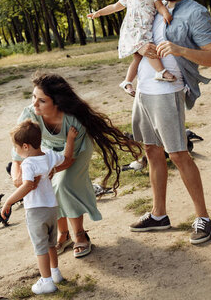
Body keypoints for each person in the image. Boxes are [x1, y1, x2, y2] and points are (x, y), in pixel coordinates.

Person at [128, 0, 211, 244]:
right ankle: (159, 214)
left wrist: (181, 50)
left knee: (179, 154)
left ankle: (203, 218)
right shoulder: (154, 4)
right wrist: (131, 78)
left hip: (168, 93)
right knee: (152, 152)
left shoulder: (195, 13)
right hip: (144, 90)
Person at [11, 72, 142, 258]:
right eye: (33, 97)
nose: (34, 104)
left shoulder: (74, 121)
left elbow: (67, 160)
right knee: (46, 186)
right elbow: (18, 153)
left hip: (74, 152)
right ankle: (63, 235)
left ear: (57, 102)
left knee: (63, 184)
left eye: (41, 100)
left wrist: (50, 171)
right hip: (47, 150)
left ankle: (80, 234)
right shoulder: (29, 115)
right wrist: (17, 177)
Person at [1, 119, 77, 295]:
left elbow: (27, 185)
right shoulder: (49, 155)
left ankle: (46, 281)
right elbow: (67, 158)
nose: (17, 152)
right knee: (51, 243)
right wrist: (71, 139)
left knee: (40, 248)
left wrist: (8, 201)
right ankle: (55, 272)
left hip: (36, 210)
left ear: (26, 146)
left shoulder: (28, 163)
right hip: (52, 208)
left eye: (17, 148)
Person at [87, 0, 175, 97]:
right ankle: (161, 71)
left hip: (144, 30)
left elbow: (160, 7)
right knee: (147, 49)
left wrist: (166, 14)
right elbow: (114, 7)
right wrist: (99, 12)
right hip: (133, 32)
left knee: (138, 58)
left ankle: (127, 81)